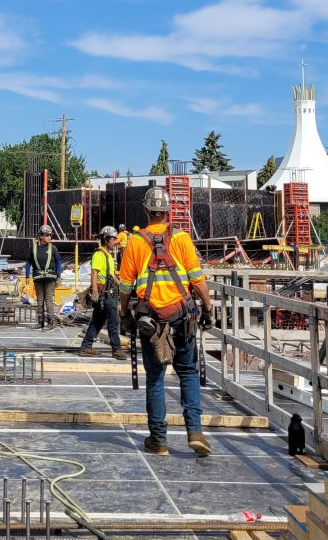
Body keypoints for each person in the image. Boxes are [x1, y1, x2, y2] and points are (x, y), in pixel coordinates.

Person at [117, 186, 215, 457]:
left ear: (147, 211)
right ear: (167, 212)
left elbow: (125, 286)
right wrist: (207, 308)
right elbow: (197, 278)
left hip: (151, 320)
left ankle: (159, 440)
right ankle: (195, 432)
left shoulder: (135, 242)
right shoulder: (181, 239)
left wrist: (124, 315)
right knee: (187, 373)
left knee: (156, 379)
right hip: (183, 317)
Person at [79, 226, 127, 360]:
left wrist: (122, 285)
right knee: (113, 322)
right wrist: (94, 290)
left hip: (107, 292)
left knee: (97, 321)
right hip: (104, 294)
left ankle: (86, 347)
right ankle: (116, 349)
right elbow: (94, 273)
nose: (115, 242)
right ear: (106, 239)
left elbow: (110, 275)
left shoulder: (107, 255)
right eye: (113, 239)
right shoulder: (99, 254)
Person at [25, 225, 61, 329]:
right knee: (40, 300)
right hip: (38, 277)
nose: (49, 237)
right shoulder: (34, 247)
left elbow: (58, 263)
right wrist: (27, 275)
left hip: (50, 278)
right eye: (47, 235)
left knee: (48, 299)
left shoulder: (53, 248)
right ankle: (40, 321)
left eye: (50, 235)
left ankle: (51, 321)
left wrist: (59, 277)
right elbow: (28, 262)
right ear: (41, 236)